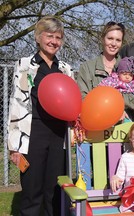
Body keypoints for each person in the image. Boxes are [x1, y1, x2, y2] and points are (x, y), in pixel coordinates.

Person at [8, 16, 74, 215]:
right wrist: (14, 146)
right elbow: (16, 104)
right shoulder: (24, 65)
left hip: (57, 136)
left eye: (58, 37)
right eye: (50, 36)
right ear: (38, 37)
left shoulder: (65, 69)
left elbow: (70, 103)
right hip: (32, 135)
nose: (54, 41)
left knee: (54, 192)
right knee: (31, 191)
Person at [77, 21, 134, 120]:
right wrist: (111, 110)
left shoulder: (130, 68)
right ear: (103, 39)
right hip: (96, 122)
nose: (113, 43)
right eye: (110, 38)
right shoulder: (87, 67)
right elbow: (83, 98)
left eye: (118, 40)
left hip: (122, 125)